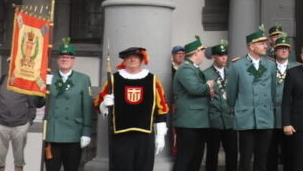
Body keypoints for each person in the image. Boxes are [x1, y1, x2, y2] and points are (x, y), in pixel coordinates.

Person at [98, 46, 170, 171]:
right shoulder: (113, 80)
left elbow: (162, 108)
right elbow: (98, 104)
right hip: (120, 135)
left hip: (145, 135)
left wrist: (160, 135)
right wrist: (104, 104)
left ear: (142, 60)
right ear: (124, 61)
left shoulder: (153, 80)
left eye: (136, 57)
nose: (132, 59)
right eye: (128, 57)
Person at [228, 31, 276, 171]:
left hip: (265, 116)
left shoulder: (271, 64)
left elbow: (272, 90)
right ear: (251, 46)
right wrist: (235, 108)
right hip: (246, 117)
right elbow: (231, 92)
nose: (265, 46)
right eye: (261, 43)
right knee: (245, 158)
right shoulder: (238, 65)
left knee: (262, 158)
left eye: (265, 43)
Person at [42, 39, 94, 171]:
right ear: (57, 59)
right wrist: (42, 87)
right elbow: (38, 103)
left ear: (73, 60)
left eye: (68, 57)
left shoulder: (83, 79)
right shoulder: (48, 77)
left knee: (71, 168)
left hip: (73, 132)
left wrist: (86, 131)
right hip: (52, 133)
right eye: (62, 57)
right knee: (51, 168)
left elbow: (87, 107)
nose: (65, 59)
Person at [0, 60, 42, 171]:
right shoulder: (1, 80)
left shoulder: (26, 81)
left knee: (19, 160)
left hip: (20, 126)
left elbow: (32, 105)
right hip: (0, 125)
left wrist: (28, 122)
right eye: (11, 63)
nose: (13, 66)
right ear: (8, 65)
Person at [174, 37, 213, 171]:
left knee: (196, 158)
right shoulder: (186, 69)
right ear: (196, 52)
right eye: (202, 51)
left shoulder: (193, 69)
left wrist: (207, 90)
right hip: (189, 122)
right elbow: (194, 88)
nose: (203, 54)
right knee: (185, 158)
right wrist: (208, 87)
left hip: (197, 121)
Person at [205, 42, 237, 171]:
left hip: (230, 119)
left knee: (232, 153)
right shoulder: (205, 74)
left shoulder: (232, 73)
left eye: (225, 55)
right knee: (212, 154)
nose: (224, 58)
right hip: (213, 119)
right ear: (213, 57)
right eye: (220, 55)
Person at [269, 35, 297, 171]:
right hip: (271, 116)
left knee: (290, 153)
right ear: (274, 51)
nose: (284, 50)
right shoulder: (267, 67)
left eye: (286, 48)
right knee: (270, 153)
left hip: (290, 117)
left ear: (290, 51)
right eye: (280, 48)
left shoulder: (297, 67)